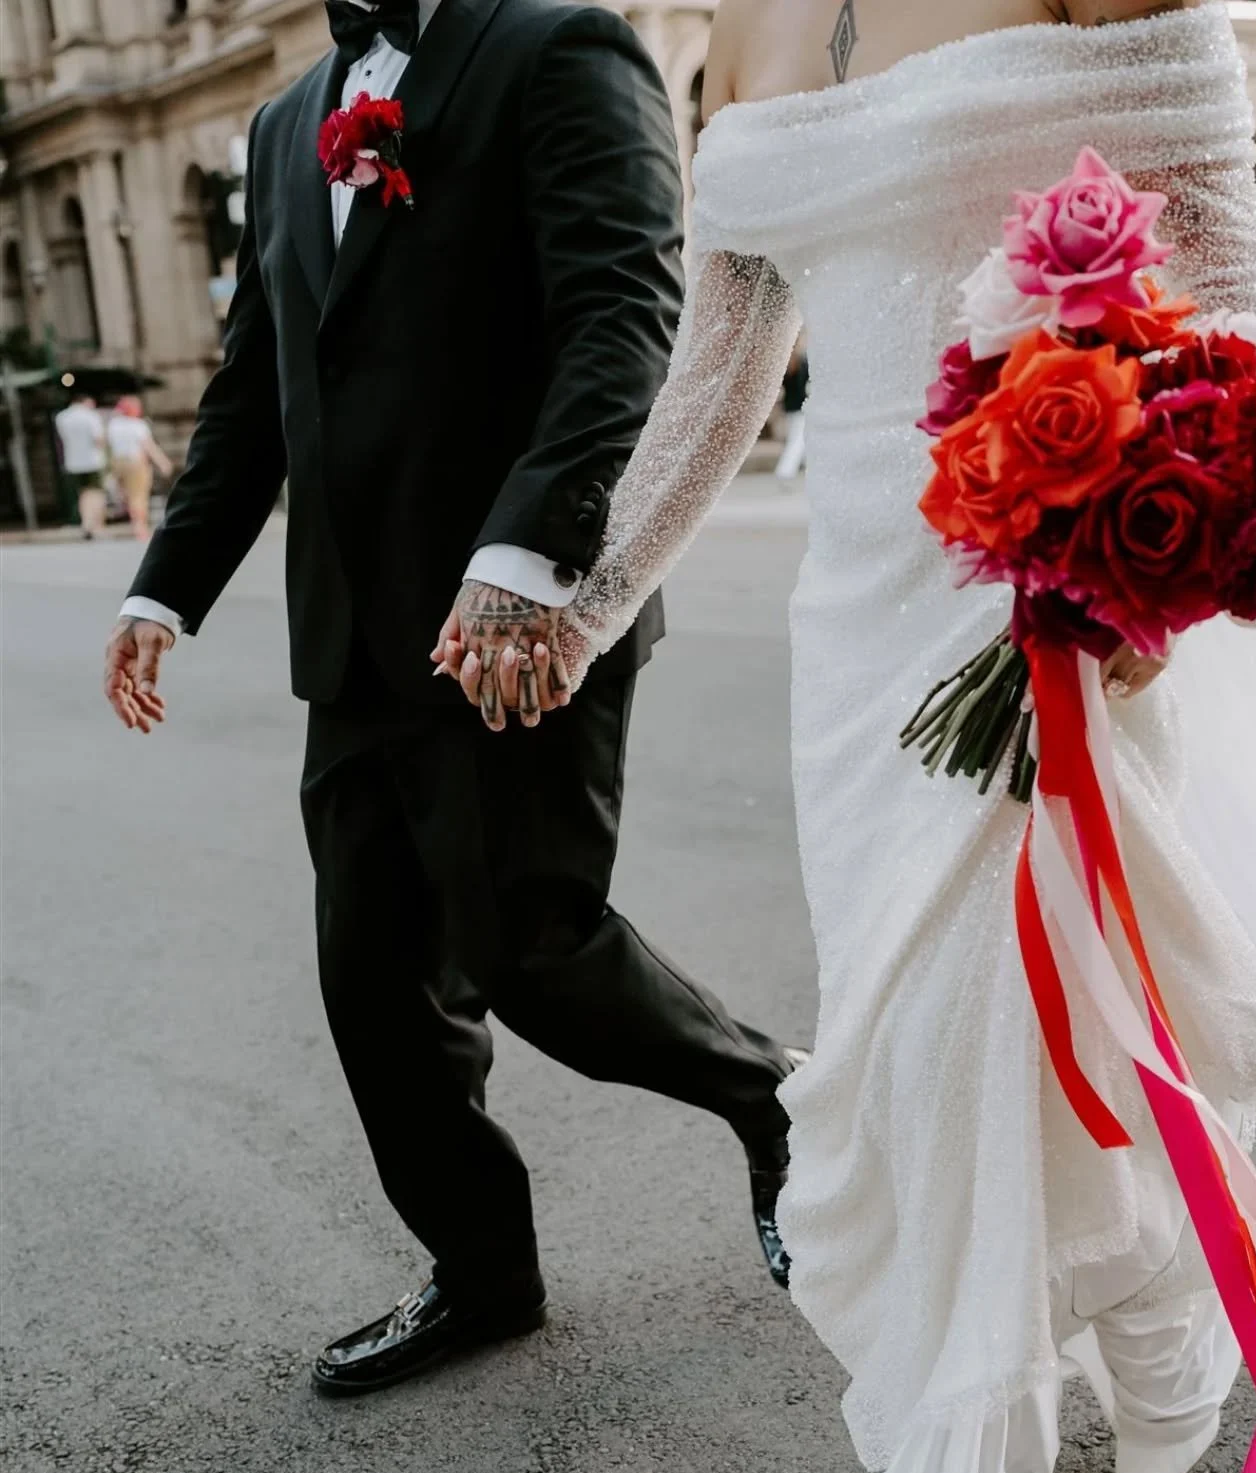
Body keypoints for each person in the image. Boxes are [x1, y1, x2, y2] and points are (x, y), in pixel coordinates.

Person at [440, 0, 1256, 1473]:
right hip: (860, 624)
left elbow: (1232, 266)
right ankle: (1155, 1301)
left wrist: (1158, 546)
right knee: (916, 1029)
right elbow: (728, 351)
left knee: (973, 999)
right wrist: (585, 590)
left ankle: (962, 1471)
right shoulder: (739, 22)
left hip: (1053, 593)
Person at [100, 0, 798, 1396]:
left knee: (533, 944)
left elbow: (624, 316)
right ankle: (483, 1274)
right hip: (353, 637)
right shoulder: (284, 119)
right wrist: (162, 590)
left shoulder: (560, 48)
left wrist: (526, 557)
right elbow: (260, 379)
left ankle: (777, 1096)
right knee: (372, 981)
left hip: (518, 613)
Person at [105, 395, 174, 541]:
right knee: (139, 496)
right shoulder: (137, 425)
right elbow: (148, 446)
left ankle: (135, 524)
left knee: (129, 496)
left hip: (118, 463)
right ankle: (140, 527)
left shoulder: (113, 425)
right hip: (135, 463)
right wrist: (163, 462)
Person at [53, 392, 108, 538]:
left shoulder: (61, 417)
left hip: (73, 461)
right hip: (93, 461)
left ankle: (86, 522)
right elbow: (99, 440)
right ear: (86, 402)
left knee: (82, 493)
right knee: (96, 493)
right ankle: (93, 524)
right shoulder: (91, 416)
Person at [776, 344, 809, 484]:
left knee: (801, 439)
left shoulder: (785, 366)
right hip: (800, 408)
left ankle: (806, 466)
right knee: (797, 440)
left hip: (791, 408)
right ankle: (785, 470)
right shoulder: (800, 363)